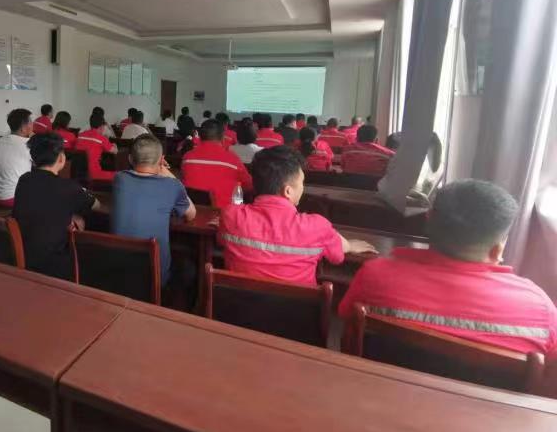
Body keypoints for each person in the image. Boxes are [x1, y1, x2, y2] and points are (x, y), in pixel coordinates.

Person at [339, 180, 557, 355]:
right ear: (497, 249)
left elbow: (347, 324)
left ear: (428, 220)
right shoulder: (541, 309)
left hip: (378, 394)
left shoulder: (375, 275)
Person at [219, 146, 376, 284]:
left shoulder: (230, 216)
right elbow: (337, 257)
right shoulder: (316, 227)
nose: (303, 188)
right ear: (288, 191)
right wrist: (349, 245)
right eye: (302, 182)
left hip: (236, 306)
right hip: (297, 309)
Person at [112, 134, 196, 288]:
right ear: (162, 160)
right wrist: (165, 171)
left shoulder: (119, 179)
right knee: (189, 268)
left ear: (130, 159)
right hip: (153, 279)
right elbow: (191, 214)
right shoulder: (172, 185)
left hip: (118, 274)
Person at [13, 133, 98, 281]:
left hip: (21, 255)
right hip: (53, 268)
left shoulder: (24, 180)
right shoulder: (69, 188)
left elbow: (45, 203)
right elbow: (97, 206)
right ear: (61, 158)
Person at [182, 119, 252, 207]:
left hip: (192, 210)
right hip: (223, 212)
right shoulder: (233, 160)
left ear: (199, 136)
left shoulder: (187, 157)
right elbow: (249, 186)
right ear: (222, 137)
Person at [0, 109, 33, 207]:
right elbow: (44, 163)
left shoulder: (1, 140)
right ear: (23, 128)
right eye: (30, 122)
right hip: (14, 197)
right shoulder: (28, 144)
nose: (33, 125)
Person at [76, 113, 118, 181]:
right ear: (102, 126)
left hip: (78, 173)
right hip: (94, 174)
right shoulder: (101, 139)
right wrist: (114, 145)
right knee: (119, 176)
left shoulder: (80, 135)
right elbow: (115, 151)